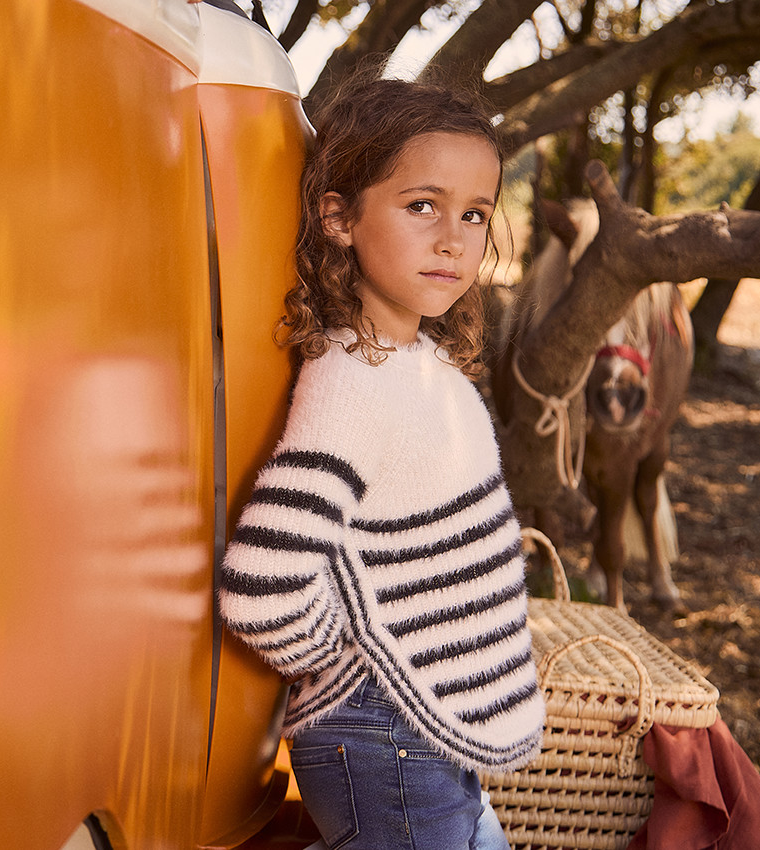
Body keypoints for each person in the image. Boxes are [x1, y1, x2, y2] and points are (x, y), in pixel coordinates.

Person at [219, 67, 544, 850]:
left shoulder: (414, 363)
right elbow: (265, 586)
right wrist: (356, 669)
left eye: (474, 214)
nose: (453, 238)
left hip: (429, 730)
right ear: (338, 217)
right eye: (421, 205)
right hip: (386, 734)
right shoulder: (352, 383)